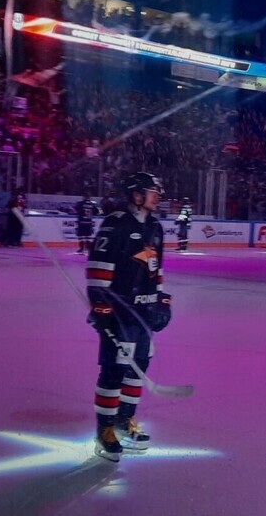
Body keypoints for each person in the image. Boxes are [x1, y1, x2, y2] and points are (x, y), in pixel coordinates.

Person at [86, 172, 172, 462]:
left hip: (144, 313)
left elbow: (156, 268)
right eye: (152, 192)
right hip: (120, 312)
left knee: (138, 368)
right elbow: (98, 267)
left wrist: (161, 300)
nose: (157, 196)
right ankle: (105, 430)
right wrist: (100, 305)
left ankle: (124, 421)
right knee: (114, 370)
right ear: (137, 195)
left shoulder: (155, 227)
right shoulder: (116, 224)